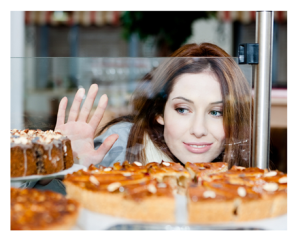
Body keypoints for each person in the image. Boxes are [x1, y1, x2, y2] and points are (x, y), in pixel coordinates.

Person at [23, 42, 253, 194]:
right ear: (159, 112)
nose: (199, 129)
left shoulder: (244, 168)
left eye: (216, 112)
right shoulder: (120, 147)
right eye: (183, 109)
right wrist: (59, 172)